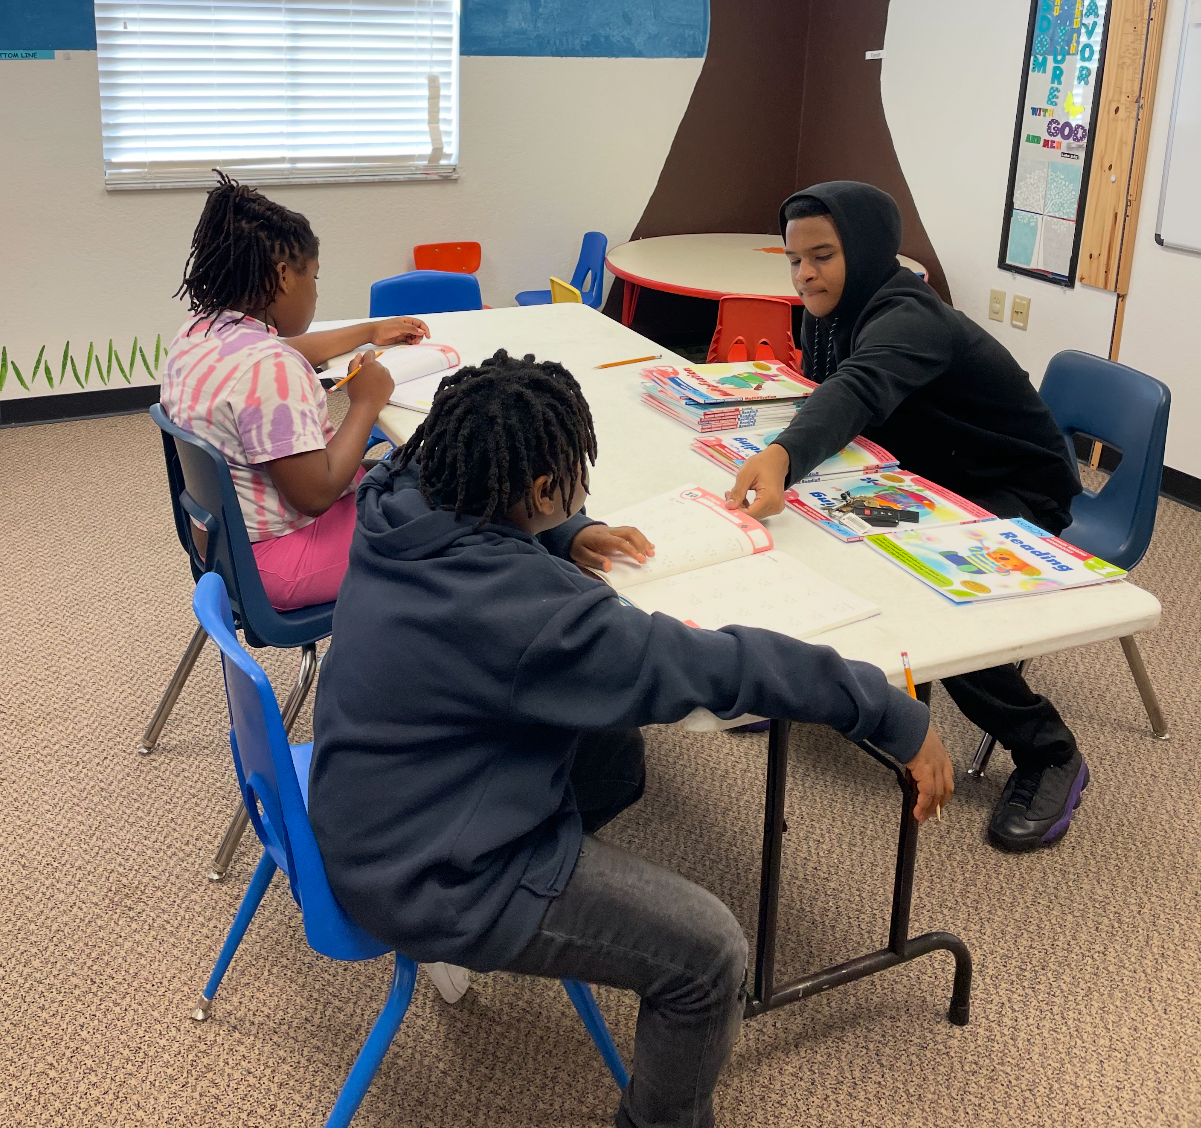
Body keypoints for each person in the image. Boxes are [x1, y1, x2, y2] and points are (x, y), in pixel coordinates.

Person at [309, 350, 953, 1128]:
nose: (582, 485)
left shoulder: (399, 491)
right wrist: (888, 712)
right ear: (537, 489)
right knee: (710, 953)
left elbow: (493, 526)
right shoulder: (534, 613)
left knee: (616, 753)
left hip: (366, 799)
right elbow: (713, 665)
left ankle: (545, 890)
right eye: (572, 479)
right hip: (430, 876)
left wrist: (568, 530)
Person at [724, 180, 1089, 854]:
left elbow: (858, 387)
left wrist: (783, 454)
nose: (805, 274)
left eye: (823, 256)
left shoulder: (910, 316)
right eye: (795, 259)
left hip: (1016, 490)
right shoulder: (829, 310)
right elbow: (837, 395)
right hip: (928, 476)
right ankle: (817, 684)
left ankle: (1049, 751)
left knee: (938, 604)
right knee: (811, 535)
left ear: (864, 250)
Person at [160, 173, 430, 612]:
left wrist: (369, 331)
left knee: (407, 471)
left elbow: (284, 351)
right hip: (276, 560)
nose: (316, 291)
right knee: (449, 519)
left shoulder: (200, 333)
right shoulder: (269, 368)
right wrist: (366, 402)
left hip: (222, 543)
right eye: (315, 277)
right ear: (285, 277)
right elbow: (316, 494)